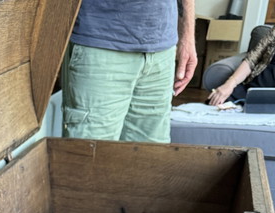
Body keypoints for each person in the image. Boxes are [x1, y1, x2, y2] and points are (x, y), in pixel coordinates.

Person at [61, 0, 197, 143]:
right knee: (90, 157)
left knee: (150, 158)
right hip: (101, 43)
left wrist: (187, 36)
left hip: (162, 48)